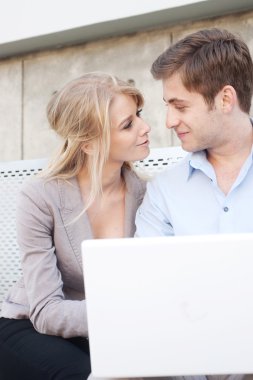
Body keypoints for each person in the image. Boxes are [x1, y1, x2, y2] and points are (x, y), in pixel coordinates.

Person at [0, 72, 150, 380]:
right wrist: (124, 313)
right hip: (30, 326)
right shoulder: (40, 197)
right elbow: (46, 313)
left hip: (103, 334)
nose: (145, 128)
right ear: (90, 144)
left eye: (139, 116)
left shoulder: (148, 196)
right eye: (128, 124)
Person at [135, 27, 253, 380]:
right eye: (167, 106)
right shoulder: (165, 191)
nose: (169, 122)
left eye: (180, 106)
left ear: (225, 99)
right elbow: (150, 291)